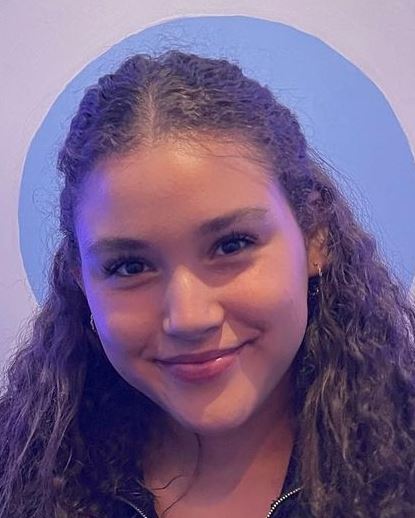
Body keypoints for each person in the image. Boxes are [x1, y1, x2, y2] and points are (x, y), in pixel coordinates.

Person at [0, 50, 414, 518]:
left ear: (315, 236)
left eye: (232, 245)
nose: (189, 318)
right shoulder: (17, 476)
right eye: (129, 267)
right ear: (83, 284)